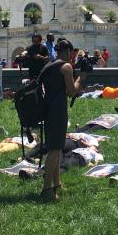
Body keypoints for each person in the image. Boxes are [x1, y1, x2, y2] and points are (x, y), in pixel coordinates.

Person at [38, 38, 82, 202]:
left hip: (48, 109)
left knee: (55, 148)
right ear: (69, 52)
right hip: (58, 111)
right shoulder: (66, 67)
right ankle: (47, 189)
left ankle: (57, 184)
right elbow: (71, 92)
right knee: (55, 151)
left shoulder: (50, 65)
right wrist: (79, 80)